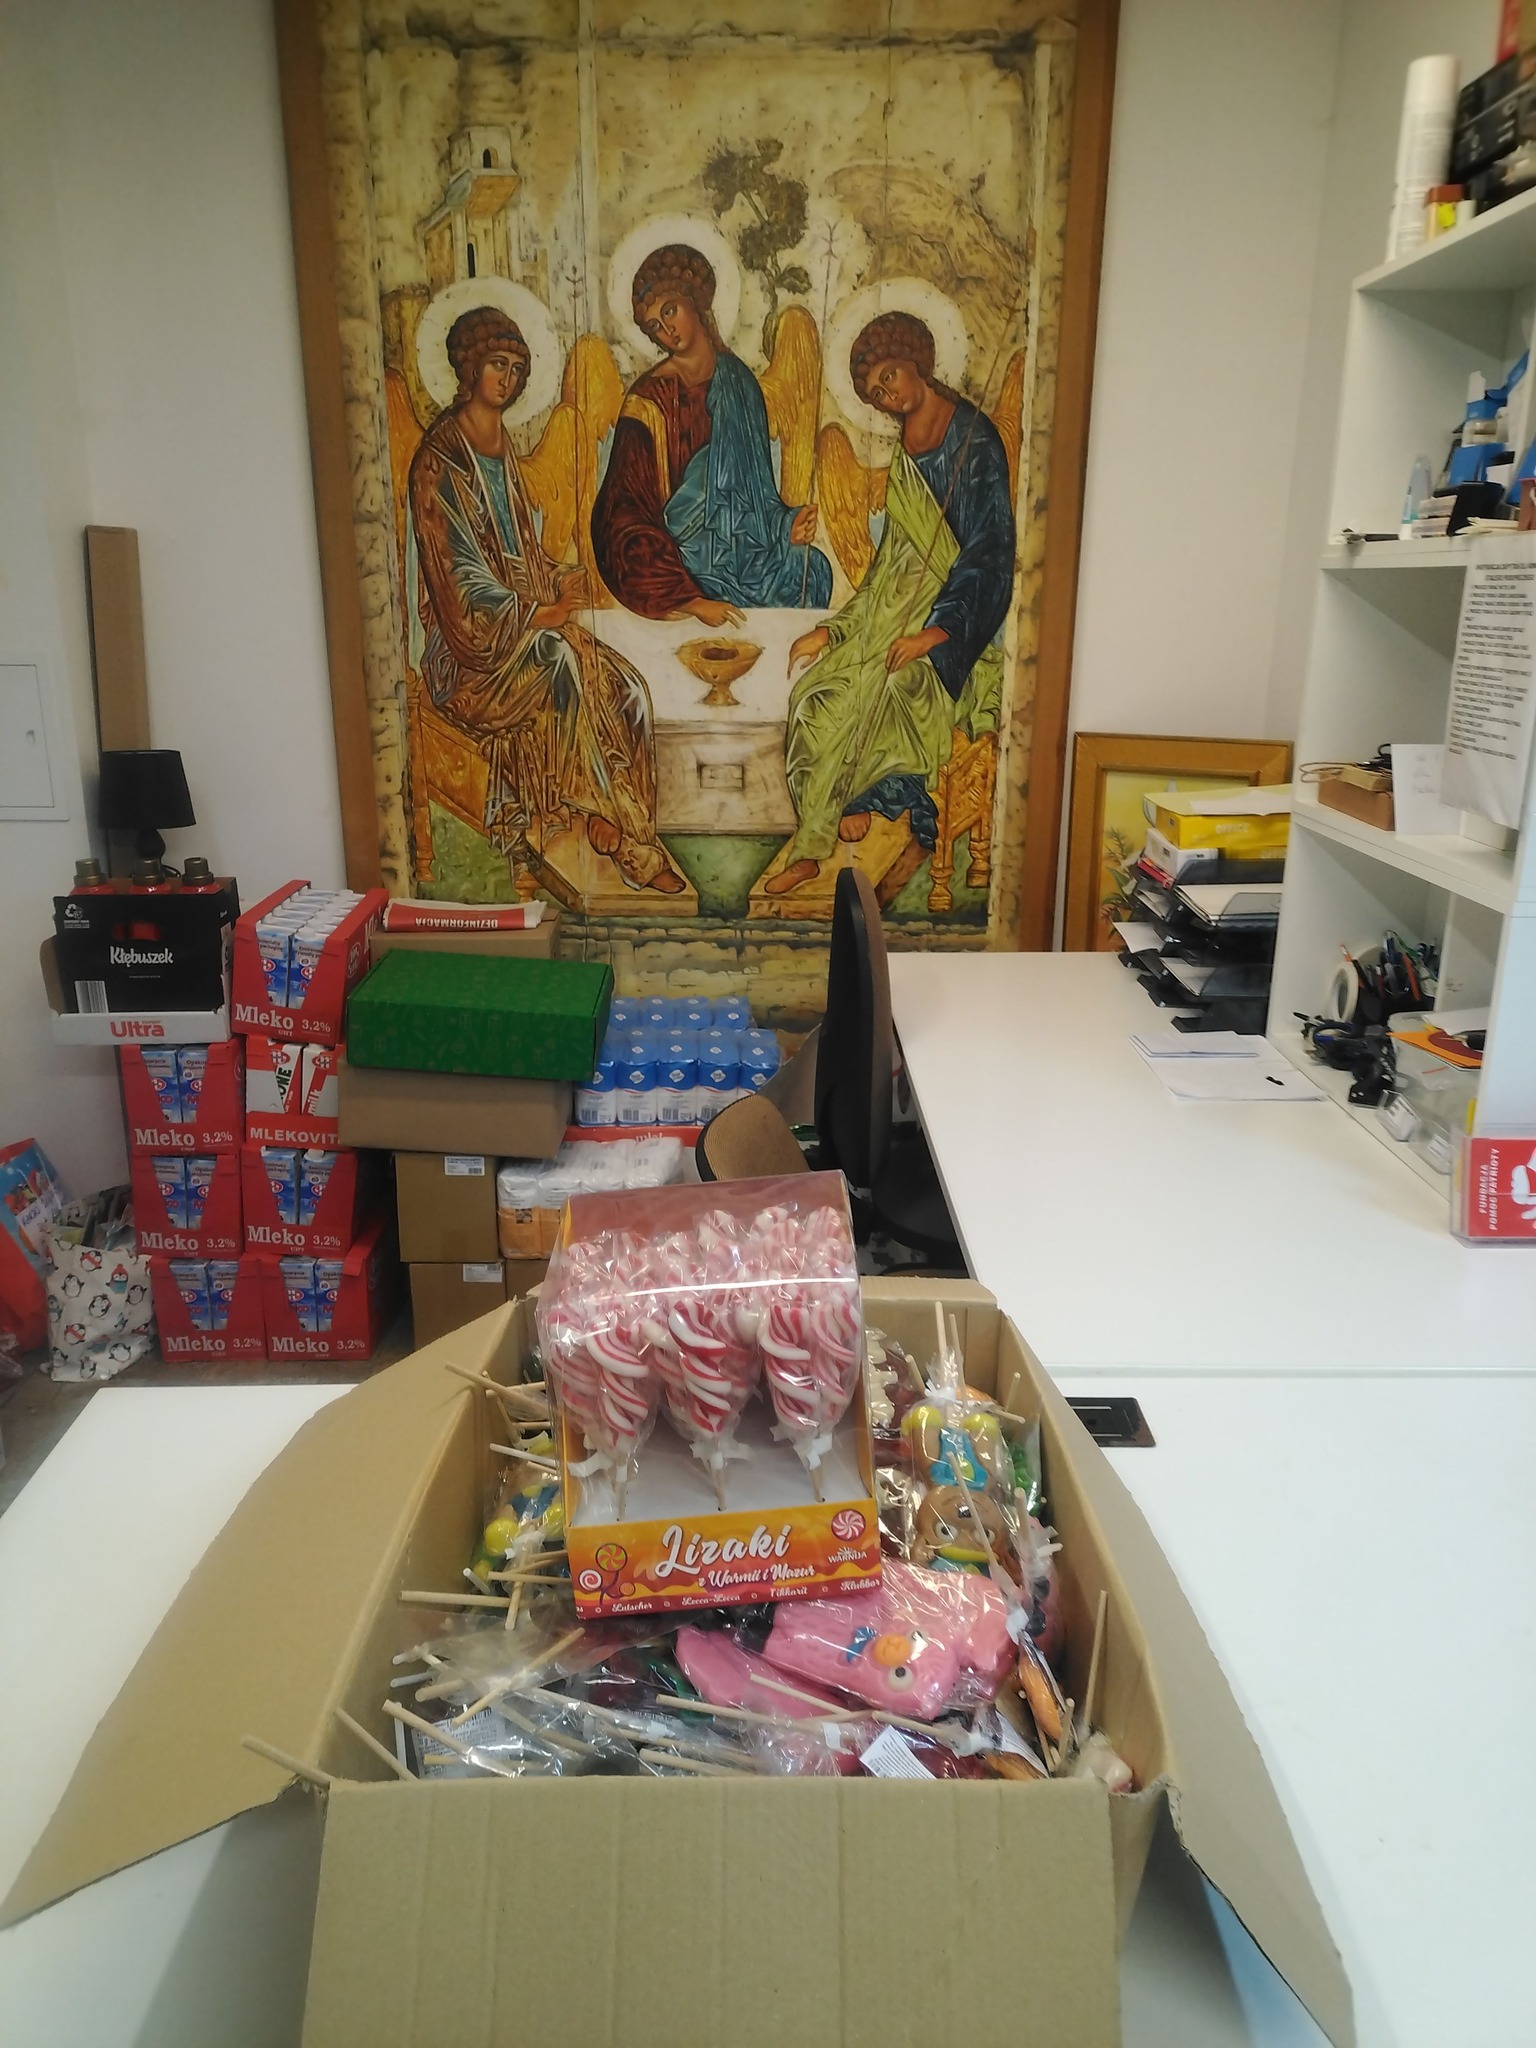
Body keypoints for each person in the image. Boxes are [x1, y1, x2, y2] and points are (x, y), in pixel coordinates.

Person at [408, 305, 684, 894]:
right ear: (469, 367)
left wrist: (557, 579)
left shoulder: (499, 444)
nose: (506, 379)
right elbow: (459, 580)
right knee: (559, 660)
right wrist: (537, 614)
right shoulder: (440, 459)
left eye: (516, 368)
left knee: (628, 688)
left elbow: (518, 553)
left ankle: (613, 819)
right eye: (496, 365)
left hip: (523, 625)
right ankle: (628, 838)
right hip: (470, 656)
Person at [765, 311, 1015, 897]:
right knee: (815, 697)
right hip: (889, 615)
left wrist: (937, 633)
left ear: (916, 360)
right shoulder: (907, 451)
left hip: (958, 628)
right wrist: (837, 630)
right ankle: (820, 824)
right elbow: (891, 564)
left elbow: (991, 551)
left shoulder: (974, 439)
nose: (888, 395)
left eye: (891, 377)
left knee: (898, 689)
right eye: (876, 392)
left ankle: (838, 820)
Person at [592, 243, 831, 620]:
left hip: (744, 555)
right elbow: (621, 514)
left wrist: (787, 524)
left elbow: (757, 496)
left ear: (694, 301)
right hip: (683, 560)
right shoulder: (649, 399)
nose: (666, 330)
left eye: (669, 311)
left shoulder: (740, 384)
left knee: (812, 570)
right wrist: (687, 598)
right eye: (654, 326)